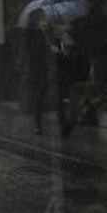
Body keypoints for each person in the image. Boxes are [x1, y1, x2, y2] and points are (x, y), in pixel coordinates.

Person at [26, 9, 71, 137]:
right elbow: (34, 53)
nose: (44, 22)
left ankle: (64, 126)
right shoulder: (33, 35)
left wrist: (57, 50)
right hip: (39, 72)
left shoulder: (46, 33)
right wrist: (49, 49)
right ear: (36, 21)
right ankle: (37, 126)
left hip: (50, 70)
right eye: (42, 19)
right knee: (39, 99)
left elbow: (54, 48)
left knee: (57, 98)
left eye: (44, 19)